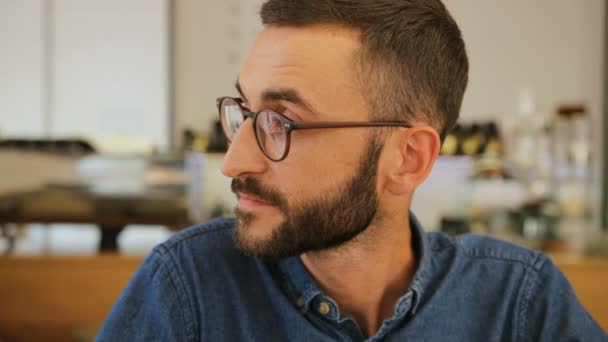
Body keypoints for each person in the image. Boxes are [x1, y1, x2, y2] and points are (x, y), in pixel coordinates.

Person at [97, 0, 606, 341]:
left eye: (283, 122)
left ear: (408, 159)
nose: (234, 160)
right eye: (244, 113)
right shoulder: (187, 292)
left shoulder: (517, 305)